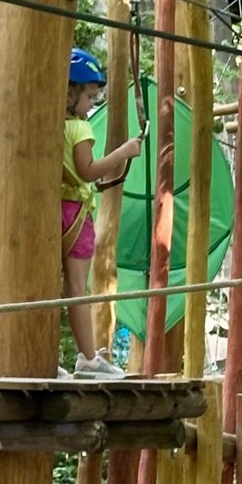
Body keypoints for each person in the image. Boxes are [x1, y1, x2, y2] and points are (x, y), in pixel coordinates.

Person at [62, 47, 142, 379]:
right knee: (77, 288)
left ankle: (51, 354)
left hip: (56, 211)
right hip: (76, 215)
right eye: (90, 97)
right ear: (70, 93)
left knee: (53, 288)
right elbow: (88, 170)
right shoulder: (79, 129)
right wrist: (124, 152)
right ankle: (88, 358)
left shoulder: (52, 126)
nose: (92, 104)